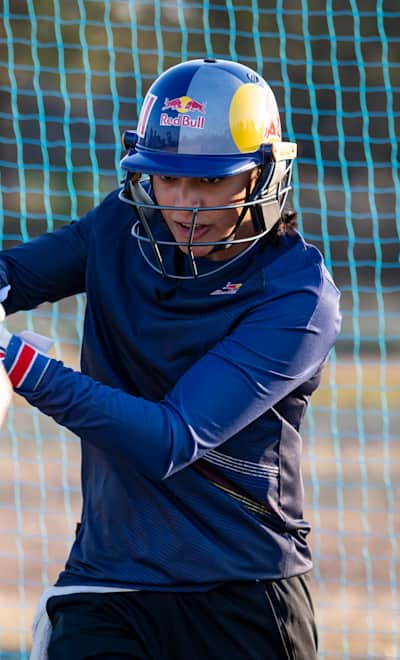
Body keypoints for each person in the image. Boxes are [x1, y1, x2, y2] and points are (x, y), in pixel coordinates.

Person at [0, 58, 341, 659]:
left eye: (209, 182)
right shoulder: (118, 227)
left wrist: (21, 366)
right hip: (109, 579)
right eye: (166, 179)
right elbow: (12, 275)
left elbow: (170, 439)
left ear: (263, 176)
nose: (182, 205)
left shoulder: (299, 296)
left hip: (244, 594)